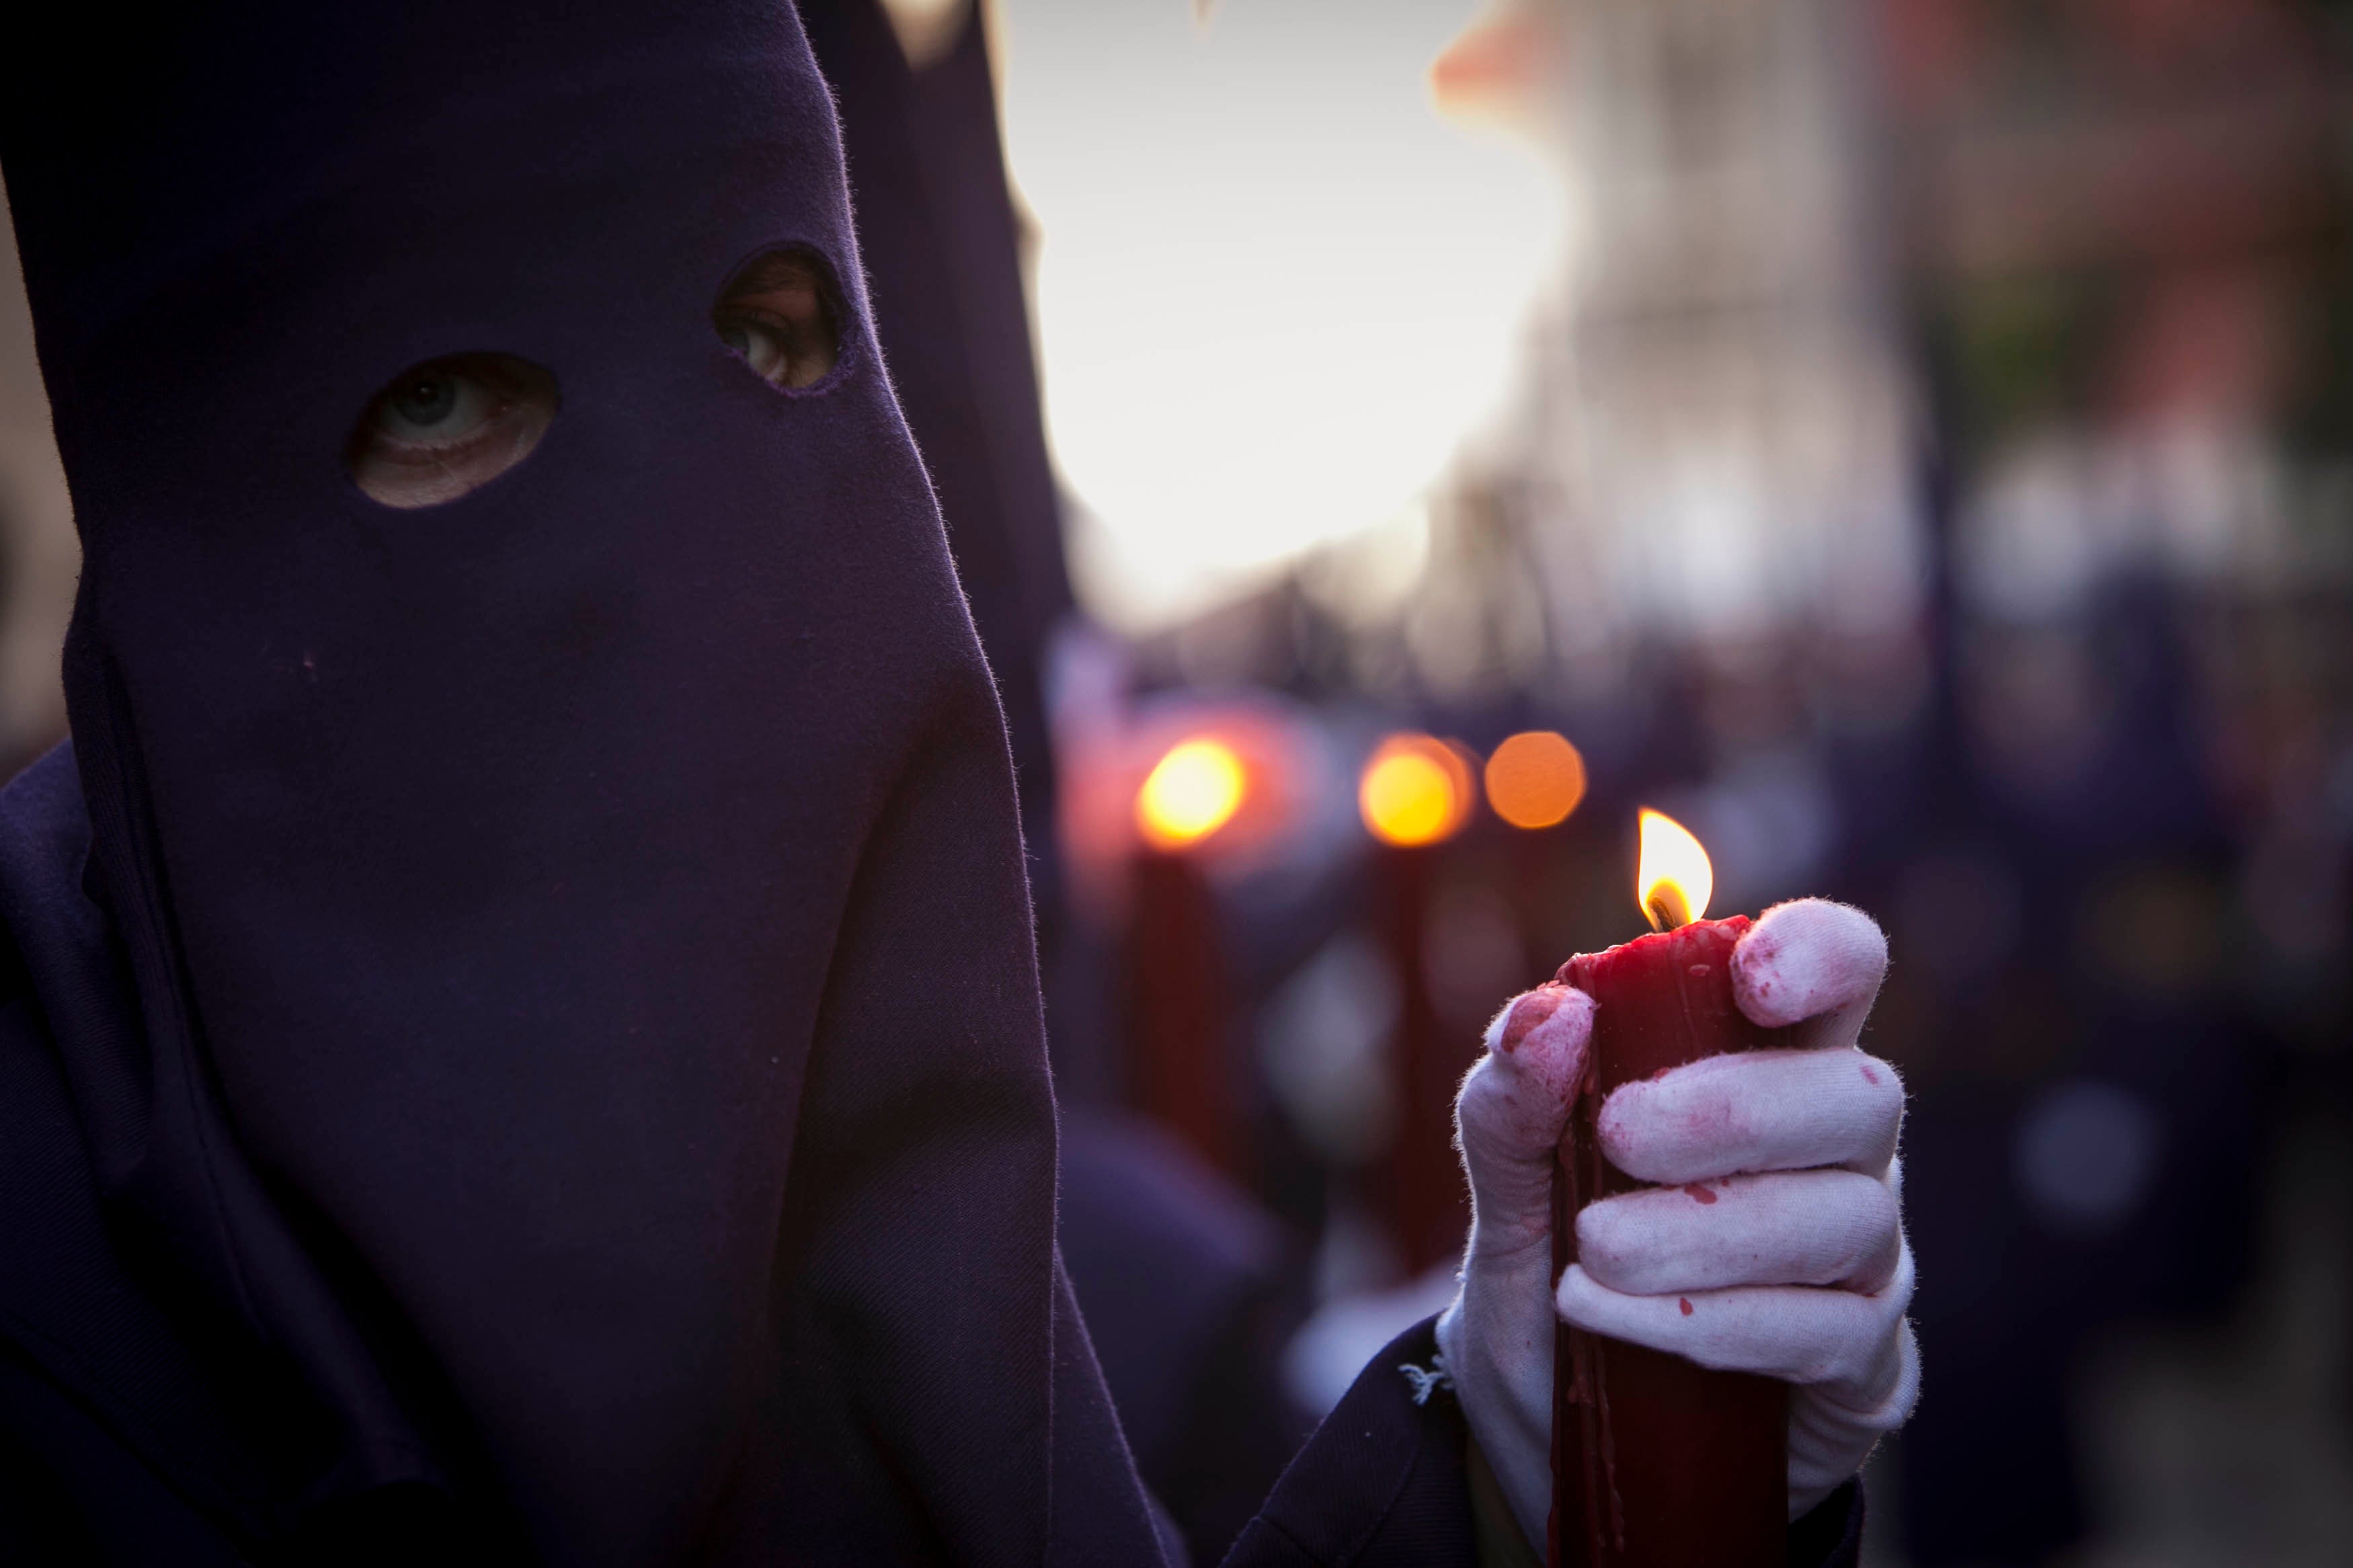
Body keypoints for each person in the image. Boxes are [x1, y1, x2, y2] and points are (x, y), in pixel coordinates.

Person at [0, 3, 1913, 1562]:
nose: (683, 563)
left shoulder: (922, 1200)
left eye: (766, 340)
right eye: (438, 398)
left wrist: (1526, 1482)